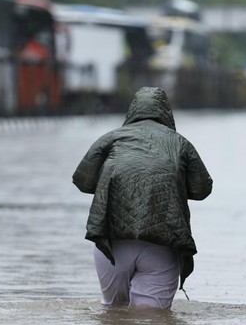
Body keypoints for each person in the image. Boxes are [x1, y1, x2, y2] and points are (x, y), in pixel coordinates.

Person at [73, 87, 213, 309]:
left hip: (111, 244)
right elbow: (202, 189)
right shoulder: (180, 143)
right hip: (163, 243)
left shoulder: (110, 139)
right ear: (167, 113)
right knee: (151, 323)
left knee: (113, 315)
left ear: (132, 111)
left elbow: (83, 181)